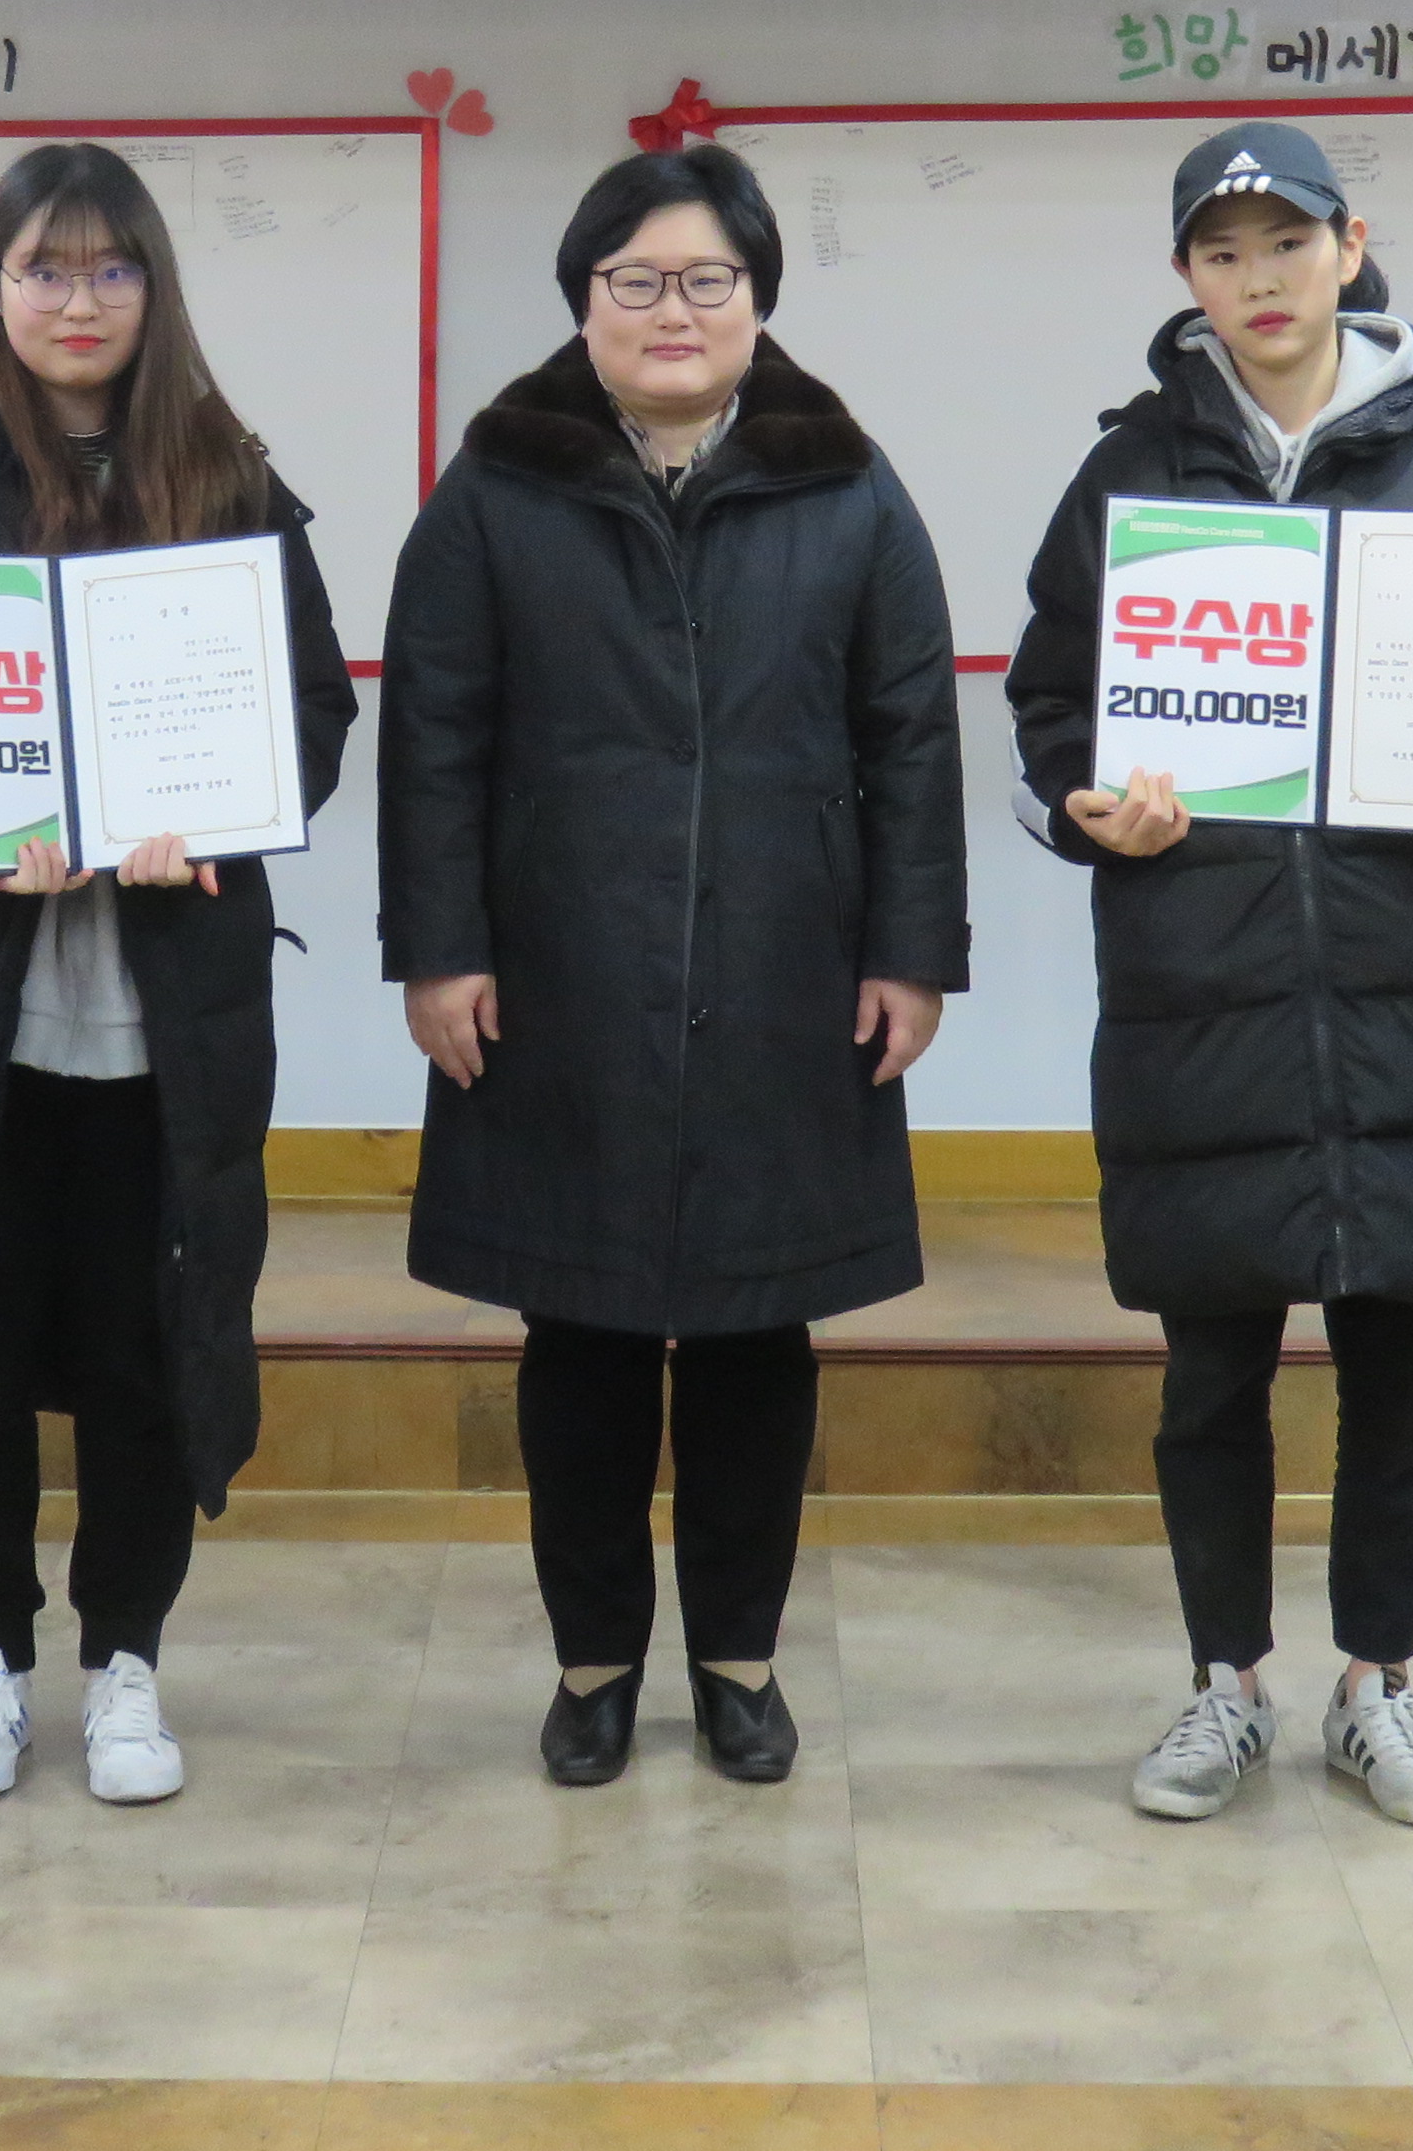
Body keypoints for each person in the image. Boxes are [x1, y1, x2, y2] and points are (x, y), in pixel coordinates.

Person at [1003, 118, 1413, 1831]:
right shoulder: (1128, 473)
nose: (1258, 278)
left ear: (1351, 248)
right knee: (1212, 1373)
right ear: (1186, 277)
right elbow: (1049, 704)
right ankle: (1224, 1685)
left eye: (1287, 242)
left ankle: (1378, 1687)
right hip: (1205, 990)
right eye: (1222, 251)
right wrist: (1085, 805)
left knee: (1406, 1375)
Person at [0, 143, 354, 1808]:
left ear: (154, 287)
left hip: (160, 1018)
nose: (75, 301)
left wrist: (216, 818)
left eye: (109, 269)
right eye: (41, 269)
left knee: (144, 1352)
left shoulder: (225, 474)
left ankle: (126, 1667)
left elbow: (309, 707)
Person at [382, 142, 965, 1788]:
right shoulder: (497, 487)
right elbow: (434, 735)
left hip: (789, 974)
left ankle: (738, 1662)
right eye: (633, 280)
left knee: (755, 1340)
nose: (672, 310)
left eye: (708, 279)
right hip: (557, 976)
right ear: (584, 301)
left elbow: (910, 734)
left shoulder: (847, 487)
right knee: (575, 1336)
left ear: (758, 298)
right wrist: (438, 950)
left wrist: (912, 953)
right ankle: (591, 1665)